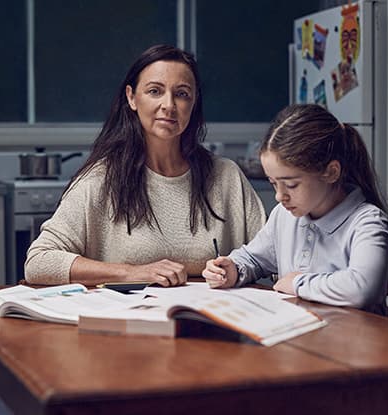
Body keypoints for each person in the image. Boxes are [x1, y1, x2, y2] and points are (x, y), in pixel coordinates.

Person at [25, 45, 266, 287]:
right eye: (155, 91)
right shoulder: (101, 179)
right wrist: (131, 273)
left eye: (182, 94)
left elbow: (274, 254)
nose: (169, 105)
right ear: (131, 97)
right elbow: (39, 262)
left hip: (209, 319)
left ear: (194, 103)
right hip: (130, 320)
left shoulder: (227, 176)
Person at [202, 104, 388, 313]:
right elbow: (253, 258)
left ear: (331, 173)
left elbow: (362, 288)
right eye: (273, 183)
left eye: (291, 185)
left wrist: (298, 283)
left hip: (354, 341)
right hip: (299, 335)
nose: (280, 196)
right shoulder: (285, 215)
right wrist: (232, 269)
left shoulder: (367, 222)